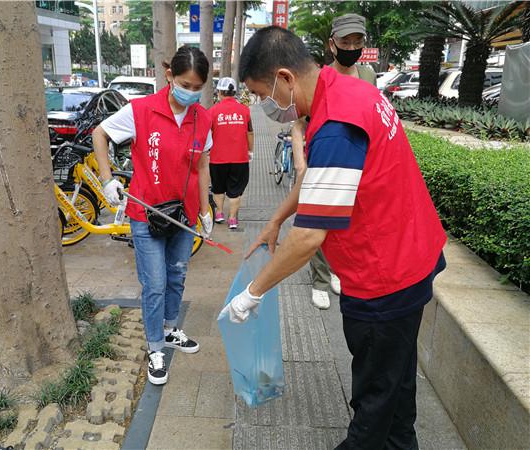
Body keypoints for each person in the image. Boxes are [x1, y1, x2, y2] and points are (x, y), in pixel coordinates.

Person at [225, 26, 447, 449]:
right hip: (411, 259)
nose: (262, 106)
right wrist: (275, 219)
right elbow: (316, 179)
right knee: (397, 387)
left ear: (286, 79)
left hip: (384, 279)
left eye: (261, 94)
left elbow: (308, 238)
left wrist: (253, 292)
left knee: (374, 400)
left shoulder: (336, 124)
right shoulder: (349, 92)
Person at [92, 46, 214, 386]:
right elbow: (100, 134)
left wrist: (205, 212)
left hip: (183, 215)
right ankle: (155, 346)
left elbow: (202, 166)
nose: (190, 92)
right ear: (169, 76)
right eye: (185, 83)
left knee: (177, 276)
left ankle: (171, 329)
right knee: (155, 284)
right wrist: (107, 179)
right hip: (146, 213)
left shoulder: (202, 119)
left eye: (197, 87)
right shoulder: (141, 110)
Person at [307, 13, 379, 309]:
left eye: (357, 41)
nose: (351, 47)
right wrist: (302, 163)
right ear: (332, 44)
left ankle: (337, 270)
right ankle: (320, 280)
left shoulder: (369, 75)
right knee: (320, 221)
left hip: (359, 161)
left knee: (348, 223)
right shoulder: (322, 79)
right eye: (345, 41)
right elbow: (303, 123)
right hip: (328, 159)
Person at [208, 77, 254, 230]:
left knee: (218, 187)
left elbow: (208, 133)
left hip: (217, 158)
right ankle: (232, 219)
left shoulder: (213, 111)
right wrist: (250, 151)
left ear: (220, 92)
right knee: (235, 190)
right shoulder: (244, 110)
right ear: (234, 92)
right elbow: (250, 133)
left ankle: (219, 213)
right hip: (239, 158)